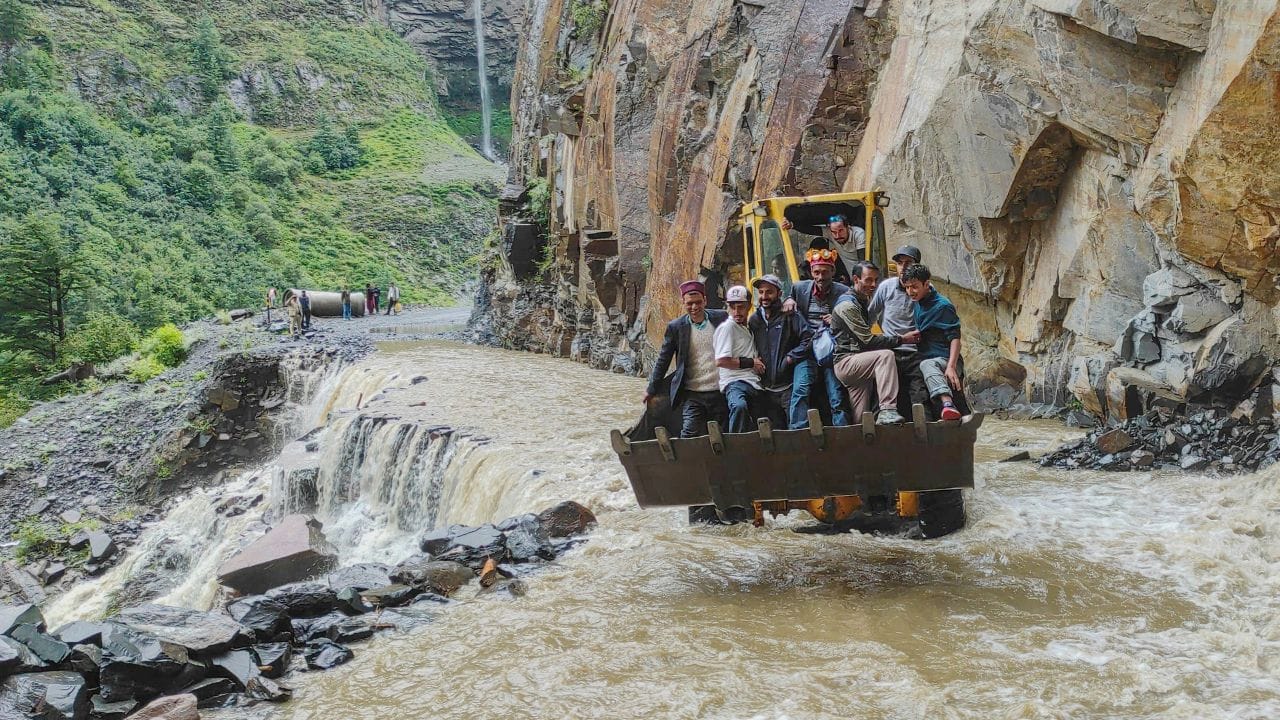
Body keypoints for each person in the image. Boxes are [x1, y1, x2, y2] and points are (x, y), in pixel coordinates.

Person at [830, 261, 917, 425]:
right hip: (847, 362)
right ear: (856, 279)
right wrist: (902, 339)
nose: (873, 285)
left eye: (876, 280)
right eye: (868, 280)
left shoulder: (861, 301)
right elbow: (868, 341)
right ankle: (888, 410)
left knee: (862, 419)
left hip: (859, 363)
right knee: (885, 356)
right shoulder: (848, 305)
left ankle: (860, 438)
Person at [644, 280, 730, 438]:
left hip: (721, 391)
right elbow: (664, 359)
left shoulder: (721, 318)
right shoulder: (676, 327)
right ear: (683, 302)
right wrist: (651, 389)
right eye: (689, 303)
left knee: (723, 435)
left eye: (698, 302)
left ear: (705, 300)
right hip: (692, 394)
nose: (694, 307)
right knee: (689, 434)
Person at [781, 249, 852, 429]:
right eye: (817, 272)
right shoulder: (799, 288)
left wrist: (836, 320)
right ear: (811, 272)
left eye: (825, 272)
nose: (821, 277)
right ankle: (798, 431)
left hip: (830, 351)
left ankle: (843, 432)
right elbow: (788, 299)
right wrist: (788, 300)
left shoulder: (843, 292)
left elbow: (855, 317)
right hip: (807, 350)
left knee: (836, 394)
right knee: (800, 389)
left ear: (833, 272)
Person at [868, 245, 929, 416]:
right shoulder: (886, 287)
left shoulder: (925, 289)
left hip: (916, 351)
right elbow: (870, 316)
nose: (903, 267)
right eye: (900, 263)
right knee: (879, 391)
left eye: (908, 262)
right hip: (890, 351)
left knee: (920, 394)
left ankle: (925, 425)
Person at [900, 264, 965, 421]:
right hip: (925, 356)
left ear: (926, 284)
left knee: (927, 365)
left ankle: (947, 404)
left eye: (914, 287)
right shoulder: (918, 302)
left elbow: (955, 338)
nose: (910, 291)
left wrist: (951, 367)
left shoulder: (943, 306)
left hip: (945, 359)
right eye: (907, 287)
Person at [748, 274, 811, 429]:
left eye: (769, 292)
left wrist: (790, 357)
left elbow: (808, 338)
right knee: (775, 435)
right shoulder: (754, 320)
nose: (764, 296)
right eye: (761, 292)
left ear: (779, 293)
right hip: (766, 390)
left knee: (796, 432)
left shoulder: (790, 315)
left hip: (788, 386)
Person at [714, 285, 766, 433]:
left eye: (741, 307)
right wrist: (751, 362)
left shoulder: (747, 328)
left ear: (749, 306)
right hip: (735, 382)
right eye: (732, 307)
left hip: (754, 383)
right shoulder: (727, 328)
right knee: (739, 406)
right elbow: (721, 361)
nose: (736, 312)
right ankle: (735, 443)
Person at [783, 214, 865, 284]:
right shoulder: (830, 234)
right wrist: (791, 225)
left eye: (841, 231)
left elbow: (863, 262)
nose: (837, 235)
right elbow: (812, 230)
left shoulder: (858, 234)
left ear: (848, 227)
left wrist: (860, 279)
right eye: (834, 232)